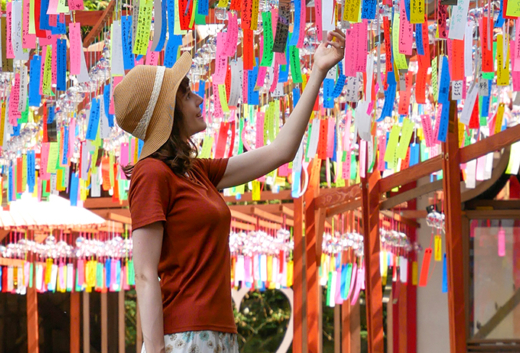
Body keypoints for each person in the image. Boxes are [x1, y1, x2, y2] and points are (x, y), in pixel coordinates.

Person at [113, 30, 346, 353]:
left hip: (219, 333)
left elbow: (281, 151)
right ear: (168, 112)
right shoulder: (151, 173)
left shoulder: (197, 172)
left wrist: (318, 70)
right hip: (184, 337)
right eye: (186, 95)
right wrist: (153, 349)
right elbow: (144, 273)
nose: (198, 99)